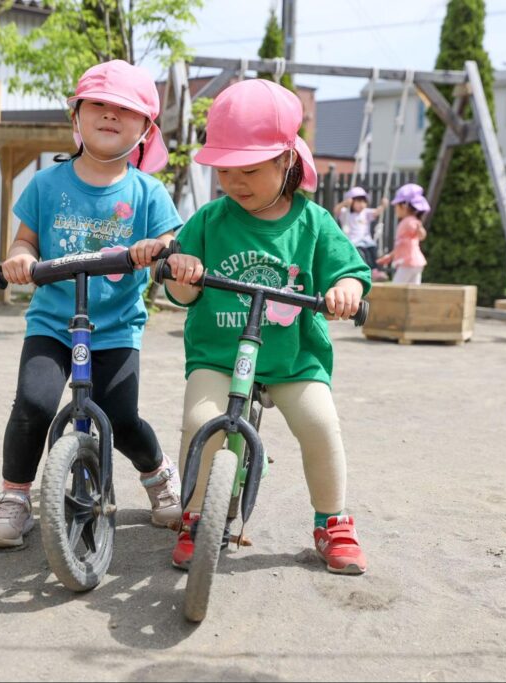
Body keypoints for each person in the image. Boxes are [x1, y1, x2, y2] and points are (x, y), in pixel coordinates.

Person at [161, 78, 372, 575]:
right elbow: (179, 289)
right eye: (225, 171)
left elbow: (350, 271)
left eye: (250, 170)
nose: (235, 183)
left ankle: (332, 520)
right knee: (200, 424)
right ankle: (195, 516)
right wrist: (184, 273)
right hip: (219, 351)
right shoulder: (210, 220)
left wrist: (347, 292)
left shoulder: (314, 222)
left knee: (319, 423)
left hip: (291, 355)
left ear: (286, 161)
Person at [0, 60, 184, 549]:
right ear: (77, 116)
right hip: (54, 321)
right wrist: (19, 261)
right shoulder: (46, 185)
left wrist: (156, 249)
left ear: (145, 130)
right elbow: (23, 242)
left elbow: (173, 243)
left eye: (125, 110)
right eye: (99, 105)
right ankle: (14, 499)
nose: (110, 116)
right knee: (32, 403)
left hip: (115, 326)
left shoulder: (147, 193)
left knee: (122, 414)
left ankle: (157, 475)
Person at [376, 183, 428, 284]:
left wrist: (420, 230)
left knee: (397, 288)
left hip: (408, 263)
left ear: (404, 206)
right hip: (415, 262)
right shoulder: (409, 221)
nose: (395, 209)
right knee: (413, 290)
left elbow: (421, 235)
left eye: (396, 206)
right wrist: (390, 256)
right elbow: (402, 244)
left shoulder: (409, 221)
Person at [333, 186, 389, 279]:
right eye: (358, 201)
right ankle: (365, 272)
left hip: (367, 240)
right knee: (362, 256)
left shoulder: (366, 213)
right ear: (351, 202)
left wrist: (383, 205)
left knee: (373, 252)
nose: (362, 204)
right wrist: (345, 203)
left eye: (364, 202)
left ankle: (374, 271)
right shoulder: (346, 213)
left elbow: (377, 212)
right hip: (354, 241)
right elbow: (336, 210)